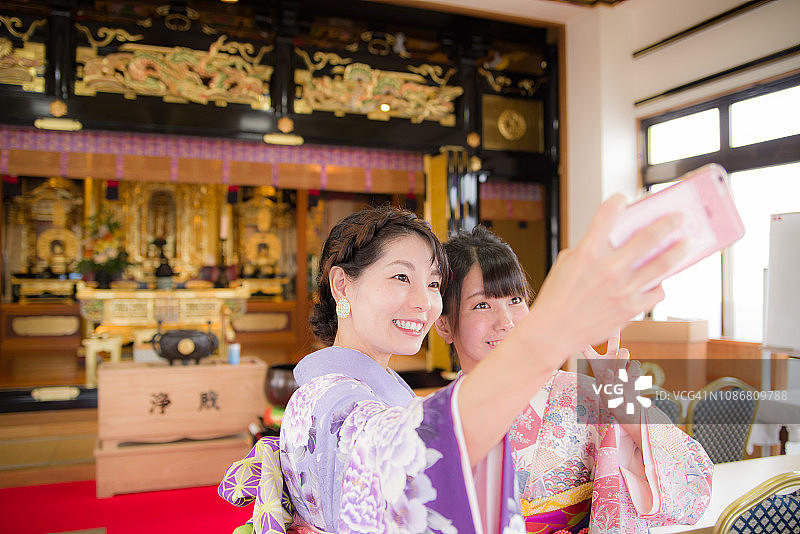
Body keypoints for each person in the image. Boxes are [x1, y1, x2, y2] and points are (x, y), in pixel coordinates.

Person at [220, 198, 690, 534]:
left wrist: (619, 392)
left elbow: (688, 477)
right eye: (401, 277)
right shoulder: (332, 399)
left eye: (431, 283)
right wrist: (552, 334)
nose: (420, 300)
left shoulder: (404, 400)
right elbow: (414, 458)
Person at [433, 225, 713, 534]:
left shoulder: (578, 396)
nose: (506, 322)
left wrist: (626, 408)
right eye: (482, 305)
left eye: (515, 300)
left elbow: (694, 482)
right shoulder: (434, 420)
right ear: (444, 325)